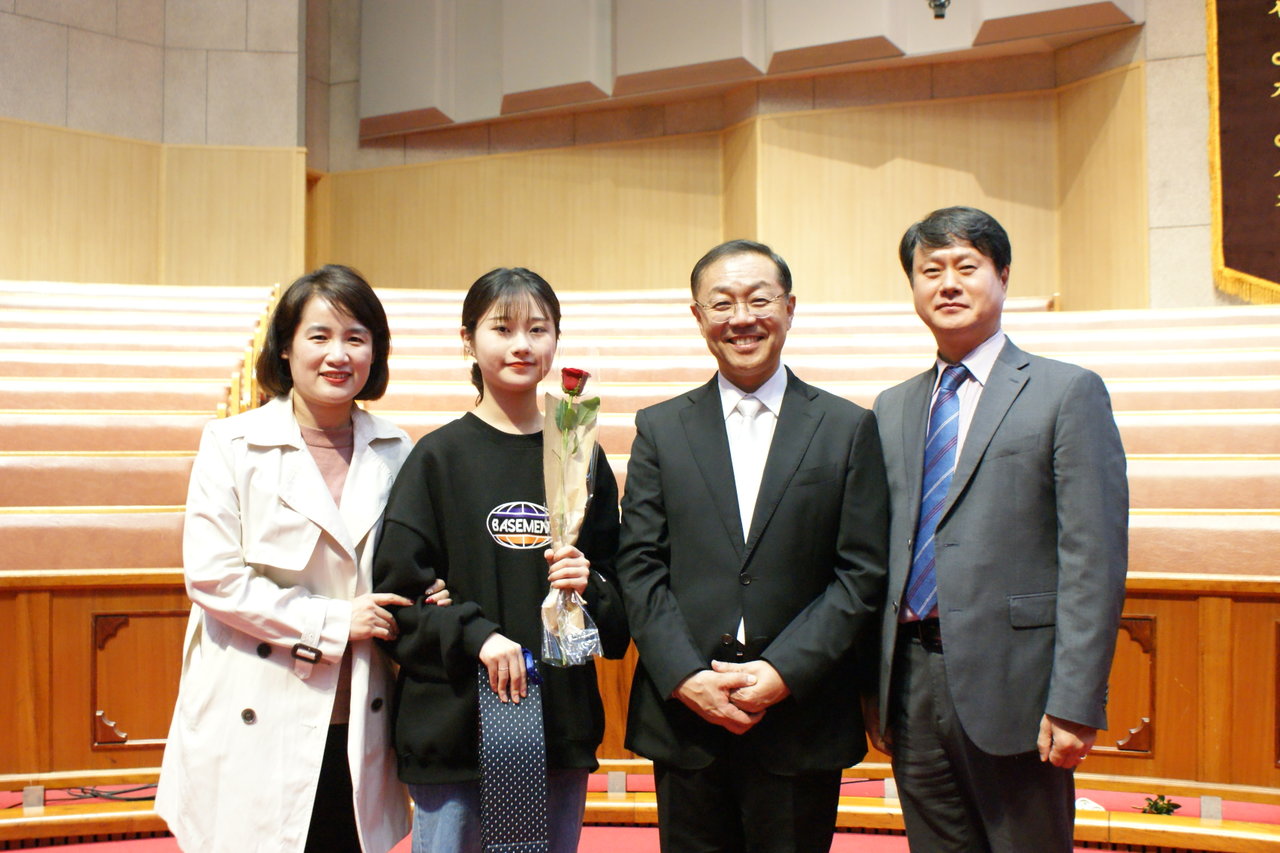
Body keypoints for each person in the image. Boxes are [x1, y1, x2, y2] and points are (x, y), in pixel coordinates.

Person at [156, 264, 449, 852]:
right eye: (319, 336)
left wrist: (432, 591)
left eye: (356, 338)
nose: (338, 355)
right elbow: (213, 578)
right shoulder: (232, 444)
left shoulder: (398, 449)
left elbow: (410, 561)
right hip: (255, 705)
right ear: (286, 348)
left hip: (357, 711)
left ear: (375, 352)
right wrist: (334, 621)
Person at [614, 239, 890, 852]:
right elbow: (639, 565)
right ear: (698, 317)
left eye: (759, 300)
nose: (742, 318)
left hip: (801, 717)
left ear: (789, 308)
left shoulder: (847, 428)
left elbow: (861, 573)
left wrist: (784, 671)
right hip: (687, 720)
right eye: (722, 303)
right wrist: (686, 676)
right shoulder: (660, 427)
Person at [870, 206, 1128, 851]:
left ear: (1003, 276)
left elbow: (1093, 558)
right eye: (930, 270)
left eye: (967, 266)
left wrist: (1075, 700)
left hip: (1020, 686)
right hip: (909, 683)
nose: (947, 284)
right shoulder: (892, 407)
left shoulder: (1066, 391)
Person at [371, 267, 629, 853]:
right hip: (455, 729)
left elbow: (620, 610)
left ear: (556, 340)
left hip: (558, 728)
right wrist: (476, 635)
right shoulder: (436, 459)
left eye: (538, 329)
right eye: (502, 328)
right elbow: (398, 605)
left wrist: (590, 583)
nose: (522, 345)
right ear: (468, 340)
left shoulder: (580, 459)